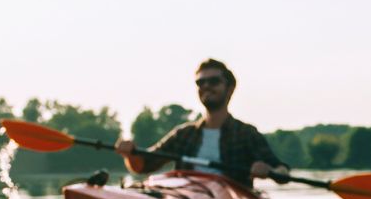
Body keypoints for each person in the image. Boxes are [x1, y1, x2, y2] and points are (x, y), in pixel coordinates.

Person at [115, 59, 291, 185]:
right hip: (186, 196)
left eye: (214, 81)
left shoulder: (246, 133)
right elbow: (145, 164)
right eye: (200, 83)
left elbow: (282, 170)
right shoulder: (184, 134)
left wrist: (269, 170)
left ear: (230, 88)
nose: (206, 86)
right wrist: (130, 154)